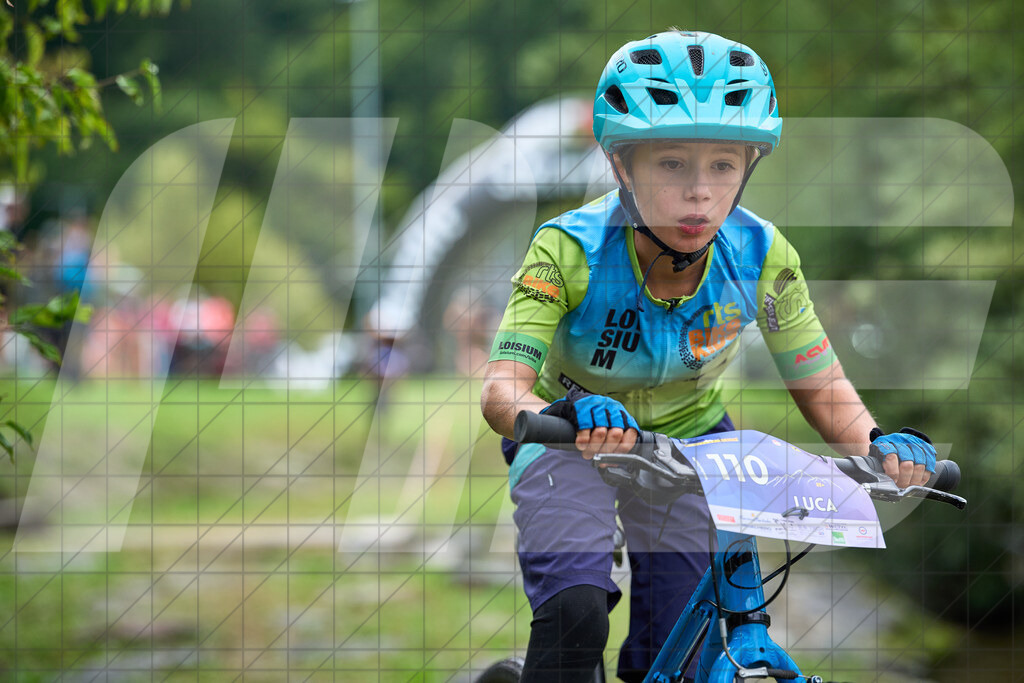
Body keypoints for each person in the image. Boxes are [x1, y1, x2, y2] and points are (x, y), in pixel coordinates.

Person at [480, 29, 938, 683]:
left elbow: (819, 380)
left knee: (682, 646)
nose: (700, 192)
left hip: (692, 447)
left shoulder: (762, 255)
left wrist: (878, 441)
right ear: (622, 166)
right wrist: (565, 414)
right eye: (672, 164)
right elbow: (501, 391)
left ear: (746, 167)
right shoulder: (566, 251)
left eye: (722, 165)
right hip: (568, 441)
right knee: (576, 610)